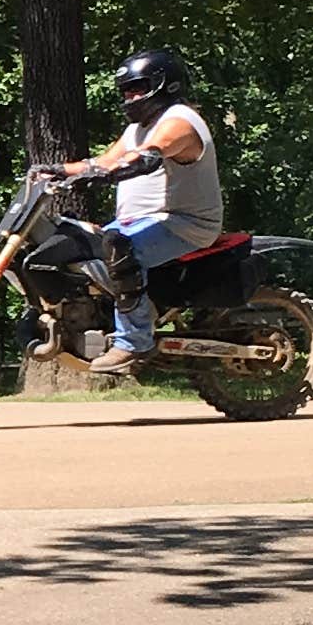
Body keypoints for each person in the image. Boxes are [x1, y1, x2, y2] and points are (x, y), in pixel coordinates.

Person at [72, 49, 223, 381]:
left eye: (137, 88)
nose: (130, 97)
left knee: (118, 244)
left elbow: (152, 154)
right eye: (125, 90)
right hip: (141, 223)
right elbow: (104, 162)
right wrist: (54, 171)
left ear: (164, 85)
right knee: (73, 240)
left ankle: (134, 342)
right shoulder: (137, 128)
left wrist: (128, 165)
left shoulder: (181, 121)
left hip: (185, 224)